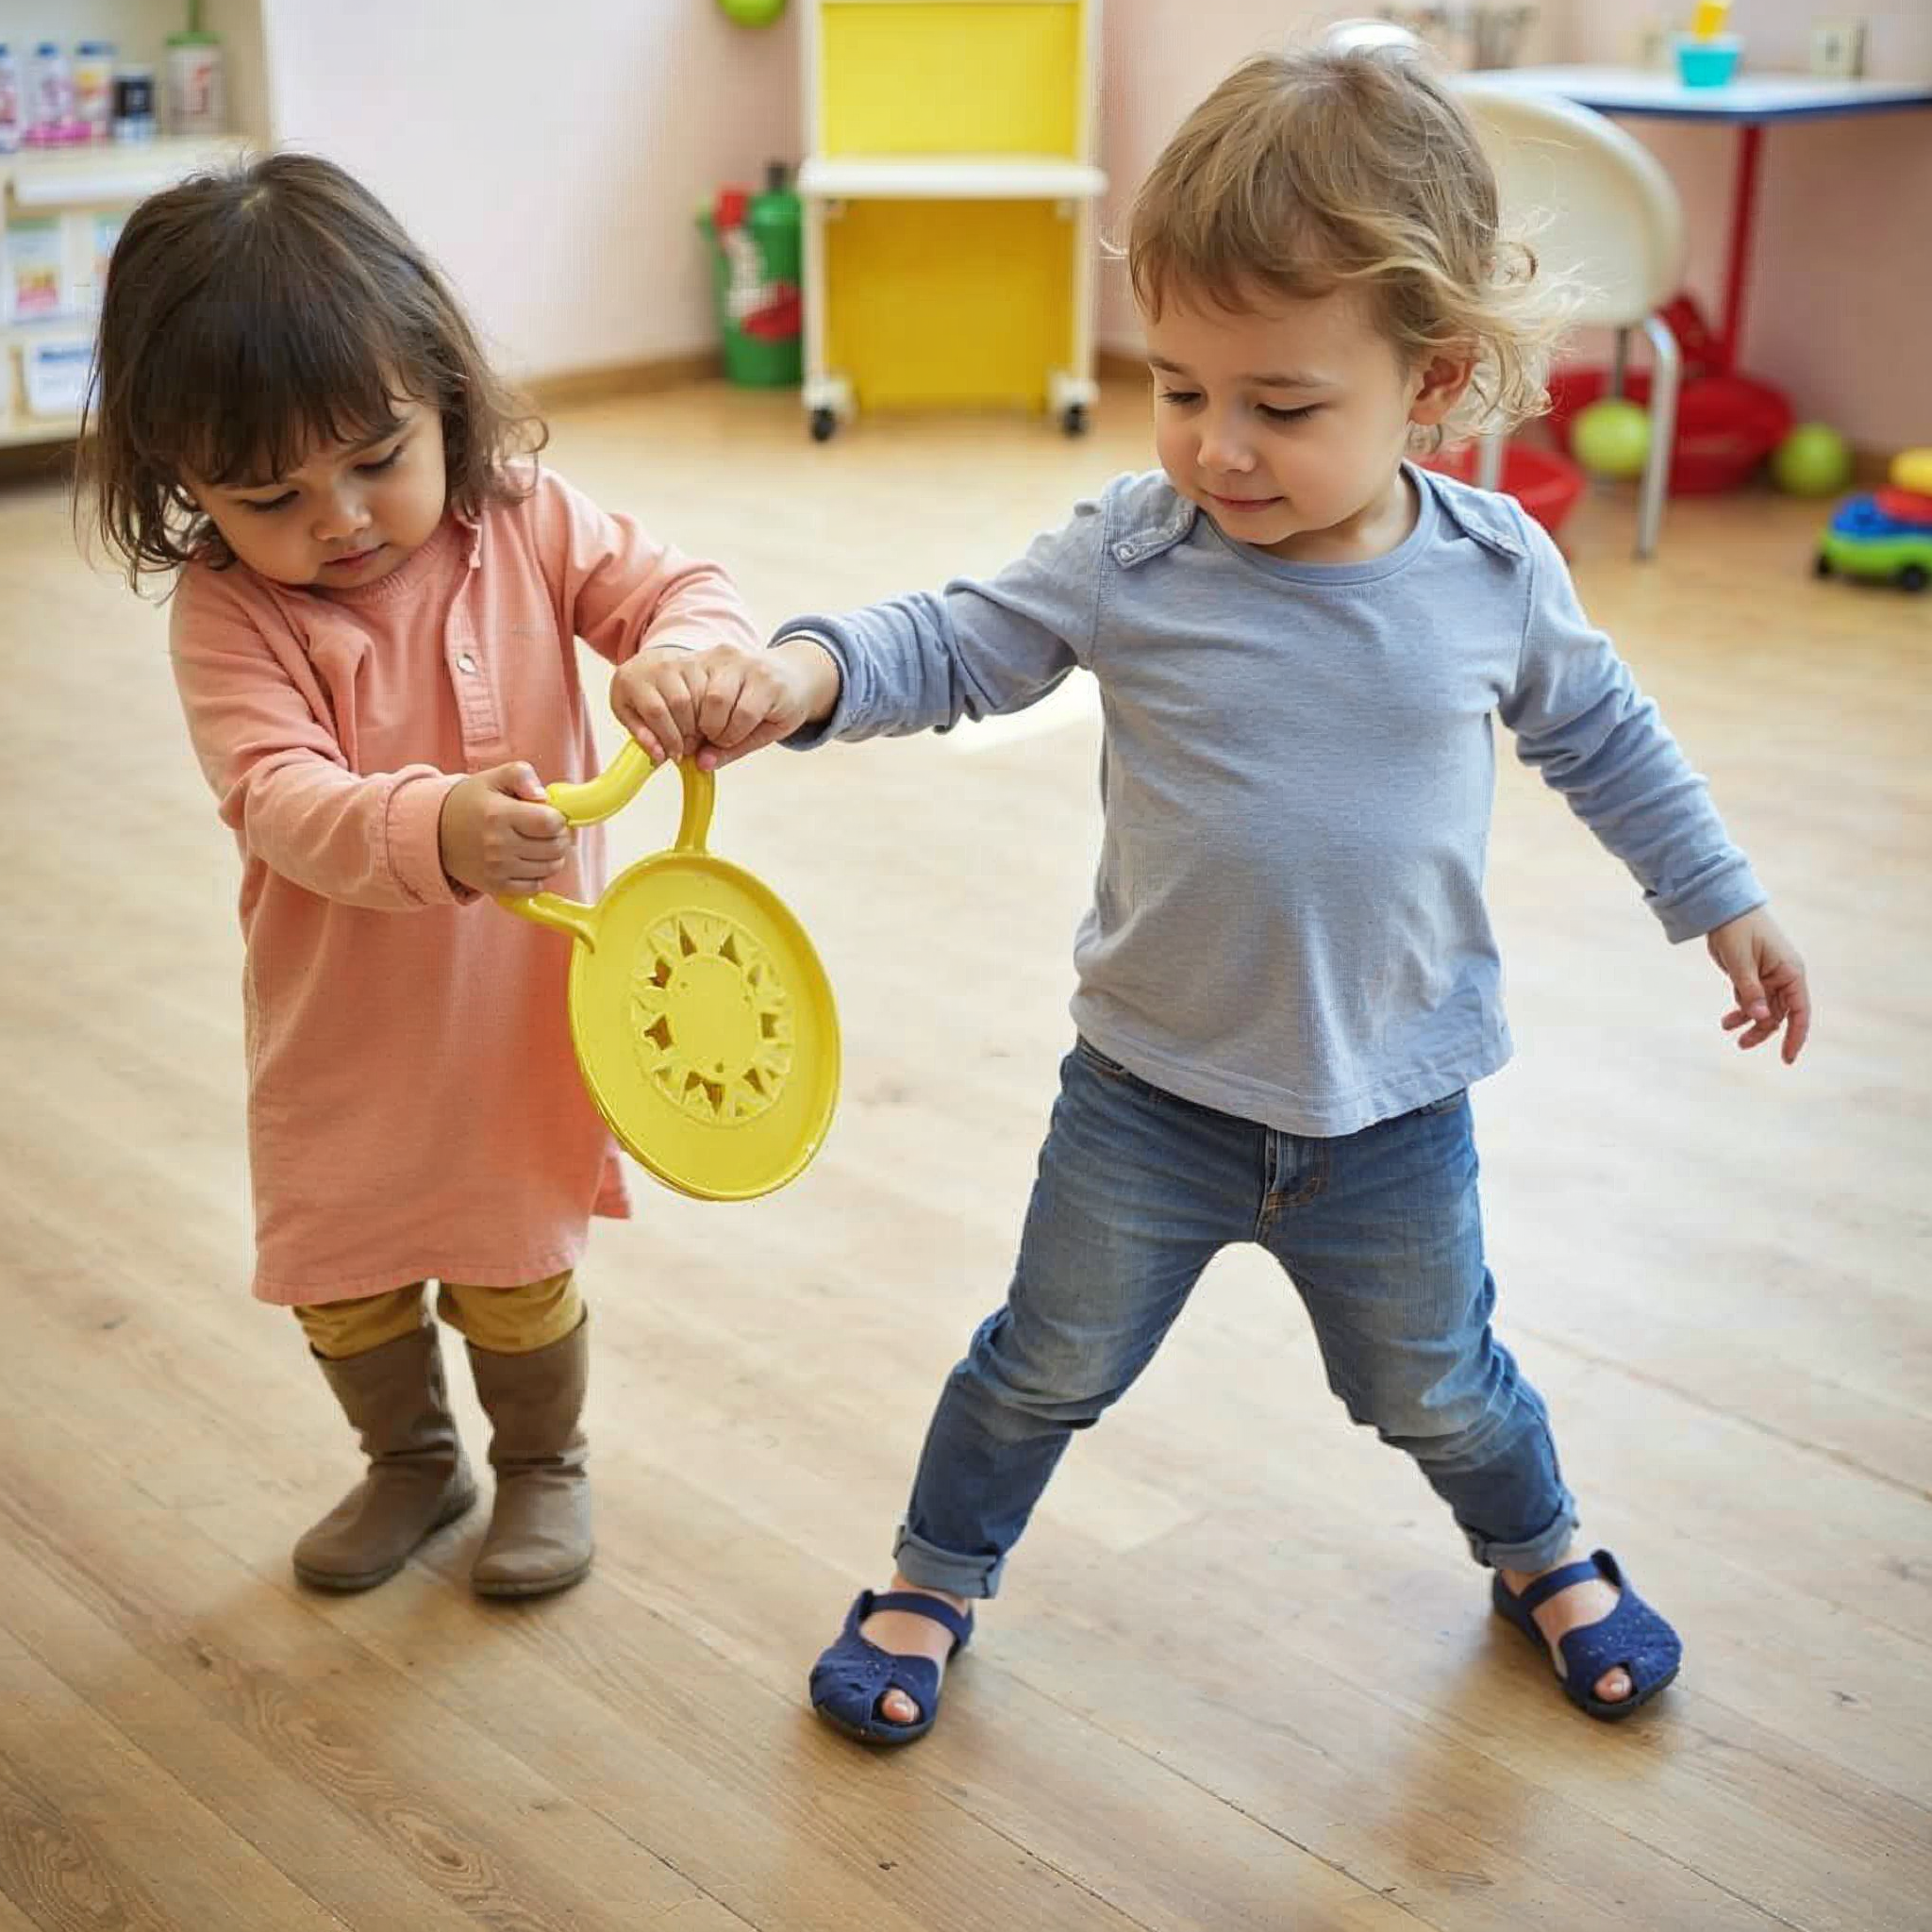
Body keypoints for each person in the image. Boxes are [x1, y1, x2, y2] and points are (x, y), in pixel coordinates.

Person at [612, 42, 1812, 1737]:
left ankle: (1540, 1547)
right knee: (1042, 1363)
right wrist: (799, 673)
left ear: (1434, 380)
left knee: (1438, 1386)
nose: (1216, 449)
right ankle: (935, 1575)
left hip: (1393, 1107)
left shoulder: (1493, 574)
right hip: (1149, 1096)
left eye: (1283, 407)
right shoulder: (1137, 553)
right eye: (1179, 388)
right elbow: (957, 642)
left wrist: (1719, 897)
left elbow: (1605, 737)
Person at [80, 154, 758, 1600]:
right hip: (341, 1027)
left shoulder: (530, 518)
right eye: (270, 494)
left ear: (442, 390)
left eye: (377, 456)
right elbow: (276, 798)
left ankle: (542, 1465)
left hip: (517, 1020)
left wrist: (686, 657)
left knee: (515, 1268)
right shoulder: (231, 613)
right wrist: (437, 829)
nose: (338, 517)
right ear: (184, 484)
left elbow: (678, 591)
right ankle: (411, 1461)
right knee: (346, 1274)